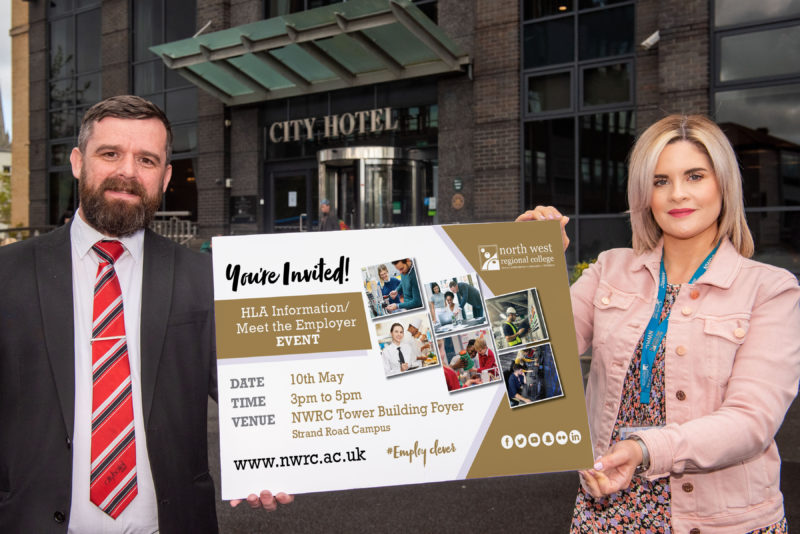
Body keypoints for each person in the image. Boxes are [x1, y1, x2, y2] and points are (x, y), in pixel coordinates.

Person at [0, 95, 291, 533]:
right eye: (110, 153)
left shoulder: (206, 278)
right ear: (78, 162)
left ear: (166, 176)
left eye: (147, 159)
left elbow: (251, 392)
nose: (128, 172)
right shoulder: (7, 275)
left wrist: (280, 458)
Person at [517, 115, 800, 533]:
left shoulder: (770, 290)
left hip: (723, 520)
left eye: (695, 176)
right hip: (608, 508)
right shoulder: (610, 269)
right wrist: (533, 266)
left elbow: (751, 420)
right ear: (644, 193)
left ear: (723, 184)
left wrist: (644, 448)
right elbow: (537, 355)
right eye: (661, 180)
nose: (677, 194)